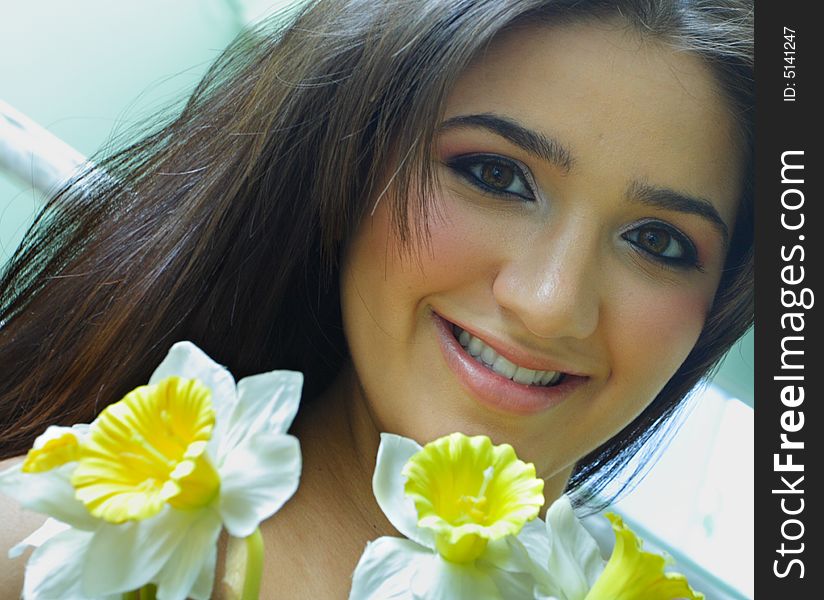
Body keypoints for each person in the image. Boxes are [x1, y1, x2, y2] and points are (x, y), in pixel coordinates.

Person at [0, 0, 753, 596]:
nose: (550, 302)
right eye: (494, 175)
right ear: (348, 162)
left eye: (659, 242)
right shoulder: (41, 547)